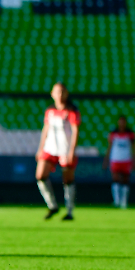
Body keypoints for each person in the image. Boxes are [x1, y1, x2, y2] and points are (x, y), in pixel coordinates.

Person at [34, 82, 80, 221]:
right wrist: (40, 148)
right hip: (50, 148)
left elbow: (75, 131)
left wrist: (71, 151)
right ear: (52, 94)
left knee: (67, 179)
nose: (60, 95)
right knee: (40, 175)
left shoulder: (71, 110)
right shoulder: (50, 110)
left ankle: (70, 210)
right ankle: (52, 205)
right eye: (57, 92)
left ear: (66, 94)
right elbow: (45, 129)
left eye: (62, 92)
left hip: (65, 149)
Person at [103, 115, 135, 209]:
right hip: (115, 159)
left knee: (125, 180)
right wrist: (106, 160)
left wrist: (134, 160)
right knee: (115, 179)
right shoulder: (113, 133)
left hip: (126, 160)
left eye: (123, 121)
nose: (122, 124)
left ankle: (124, 202)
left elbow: (134, 148)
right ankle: (116, 201)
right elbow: (109, 147)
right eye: (120, 121)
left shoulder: (130, 134)